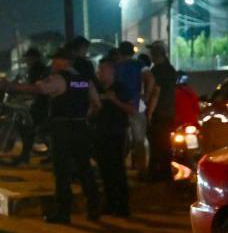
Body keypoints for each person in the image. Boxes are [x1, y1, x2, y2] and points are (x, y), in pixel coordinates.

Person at [1, 48, 101, 223]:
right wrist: (84, 117)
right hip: (80, 127)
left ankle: (63, 213)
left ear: (65, 62)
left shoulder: (58, 78)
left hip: (62, 128)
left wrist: (10, 85)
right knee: (84, 167)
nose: (52, 64)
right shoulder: (85, 81)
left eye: (55, 61)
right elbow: (96, 104)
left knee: (62, 171)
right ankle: (94, 207)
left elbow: (38, 89)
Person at [93, 56, 132, 216]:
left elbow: (131, 109)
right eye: (98, 69)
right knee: (104, 171)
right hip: (100, 133)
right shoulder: (96, 88)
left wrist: (114, 100)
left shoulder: (121, 88)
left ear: (112, 72)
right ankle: (109, 204)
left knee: (118, 170)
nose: (99, 73)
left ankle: (122, 207)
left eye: (103, 69)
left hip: (116, 134)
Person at [10, 47, 50, 165]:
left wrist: (17, 89)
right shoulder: (37, 69)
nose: (27, 60)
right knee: (33, 129)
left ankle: (25, 156)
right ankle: (27, 154)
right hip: (42, 104)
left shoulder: (36, 70)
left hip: (41, 105)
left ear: (34, 58)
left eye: (28, 58)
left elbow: (34, 88)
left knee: (27, 128)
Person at [144, 41, 177, 182]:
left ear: (156, 54)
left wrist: (149, 112)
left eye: (152, 52)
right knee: (165, 144)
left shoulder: (156, 71)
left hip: (158, 112)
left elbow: (156, 92)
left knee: (156, 144)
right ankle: (166, 172)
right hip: (169, 111)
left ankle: (156, 174)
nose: (150, 55)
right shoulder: (171, 69)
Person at [114, 41, 149, 173]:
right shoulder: (140, 65)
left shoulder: (116, 67)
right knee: (139, 139)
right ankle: (141, 168)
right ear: (133, 52)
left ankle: (120, 168)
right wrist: (145, 96)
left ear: (120, 52)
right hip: (137, 104)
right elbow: (150, 80)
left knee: (122, 138)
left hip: (120, 105)